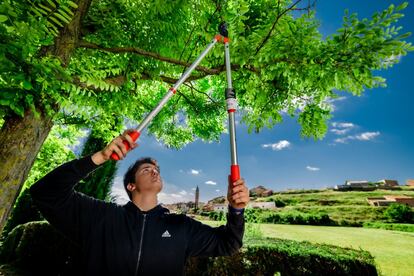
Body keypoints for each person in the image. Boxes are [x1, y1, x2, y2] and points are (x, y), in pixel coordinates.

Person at [30, 130, 250, 275]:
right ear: (131, 186)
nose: (154, 171)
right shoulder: (100, 216)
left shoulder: (182, 226)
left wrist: (236, 209)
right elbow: (45, 192)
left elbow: (229, 243)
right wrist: (99, 157)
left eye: (156, 170)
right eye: (146, 169)